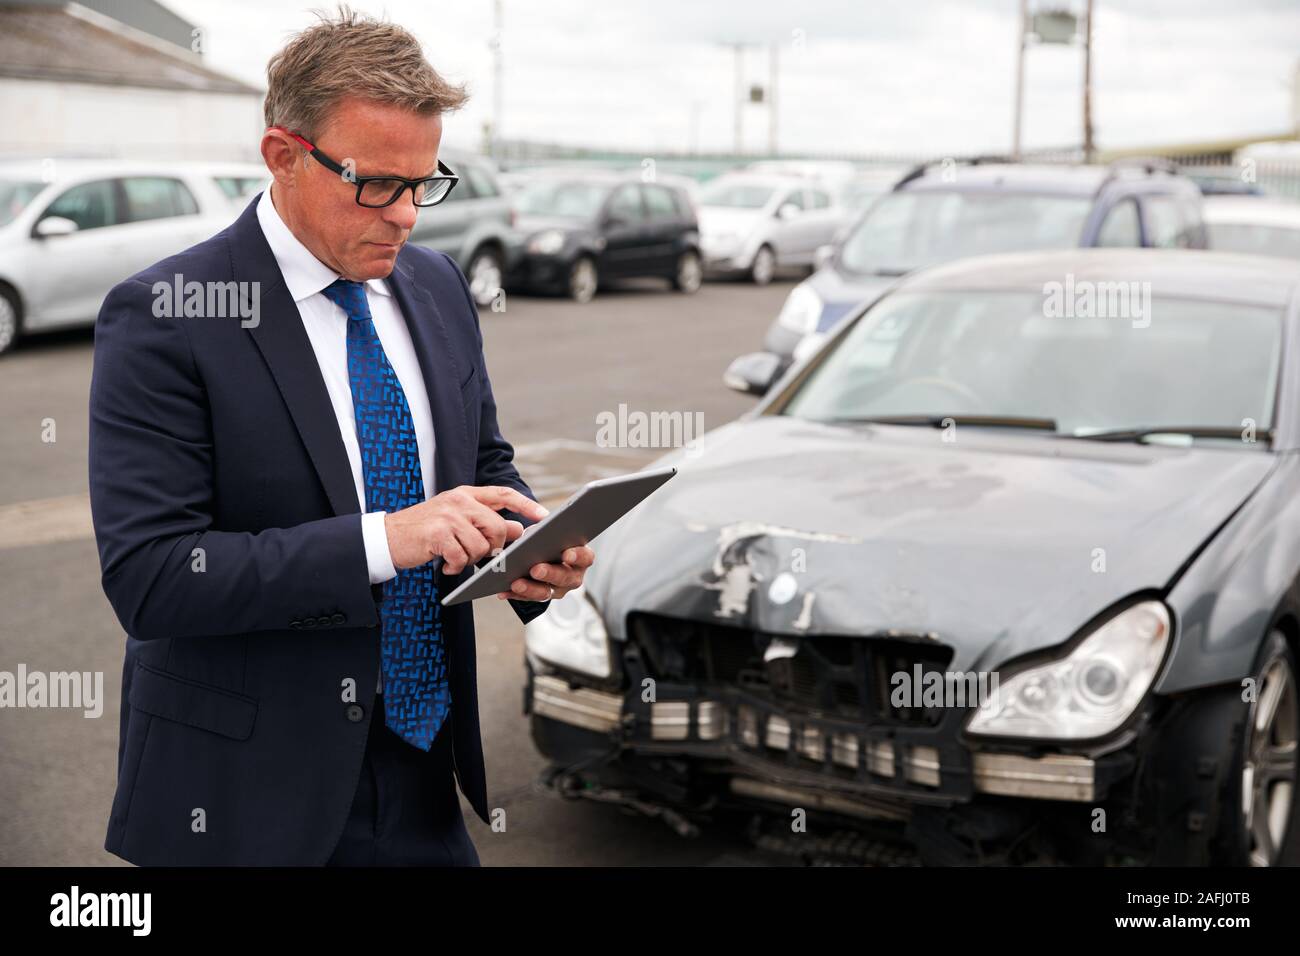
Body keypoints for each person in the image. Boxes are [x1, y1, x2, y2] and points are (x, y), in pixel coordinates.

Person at [88, 7, 593, 866]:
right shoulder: (167, 314)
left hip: (428, 772)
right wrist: (385, 541)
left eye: (424, 184)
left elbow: (481, 464)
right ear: (283, 156)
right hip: (247, 798)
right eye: (376, 184)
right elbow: (153, 579)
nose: (405, 216)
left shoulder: (434, 285)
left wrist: (527, 551)